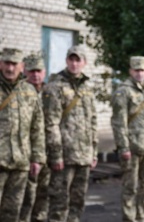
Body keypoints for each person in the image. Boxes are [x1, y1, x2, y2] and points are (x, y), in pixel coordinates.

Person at [42, 45, 98, 222]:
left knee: (77, 202)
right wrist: (56, 155)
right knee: (59, 204)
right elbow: (51, 123)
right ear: (66, 61)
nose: (74, 64)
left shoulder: (87, 88)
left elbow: (93, 122)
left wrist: (94, 152)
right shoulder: (55, 87)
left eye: (78, 60)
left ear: (84, 63)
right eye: (71, 59)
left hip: (83, 155)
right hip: (64, 157)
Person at [0, 48, 46, 221]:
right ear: (0, 64)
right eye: (7, 63)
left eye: (14, 64)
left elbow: (37, 127)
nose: (10, 68)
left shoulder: (29, 91)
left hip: (20, 162)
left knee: (12, 213)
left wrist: (37, 158)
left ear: (22, 66)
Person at [111, 56, 144, 222]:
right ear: (131, 71)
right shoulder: (123, 91)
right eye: (136, 70)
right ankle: (130, 219)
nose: (140, 73)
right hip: (131, 149)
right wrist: (123, 147)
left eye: (142, 70)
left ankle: (141, 217)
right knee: (130, 188)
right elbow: (119, 122)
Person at [20, 53, 51, 222]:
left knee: (43, 194)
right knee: (25, 196)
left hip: (46, 151)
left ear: (44, 72)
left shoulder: (50, 93)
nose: (35, 75)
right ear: (24, 71)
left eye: (38, 71)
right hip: (24, 153)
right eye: (31, 71)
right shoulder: (18, 92)